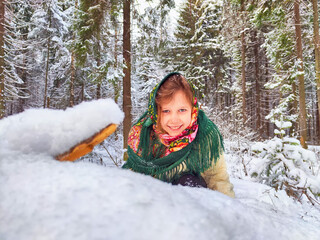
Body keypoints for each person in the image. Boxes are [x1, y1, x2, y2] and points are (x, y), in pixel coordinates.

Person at [123, 72, 235, 198]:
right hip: (152, 202)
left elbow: (217, 179)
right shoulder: (143, 135)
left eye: (182, 110)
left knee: (188, 181)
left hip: (190, 204)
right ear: (156, 111)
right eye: (166, 111)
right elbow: (132, 176)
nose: (174, 119)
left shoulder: (205, 135)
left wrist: (228, 210)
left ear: (193, 109)